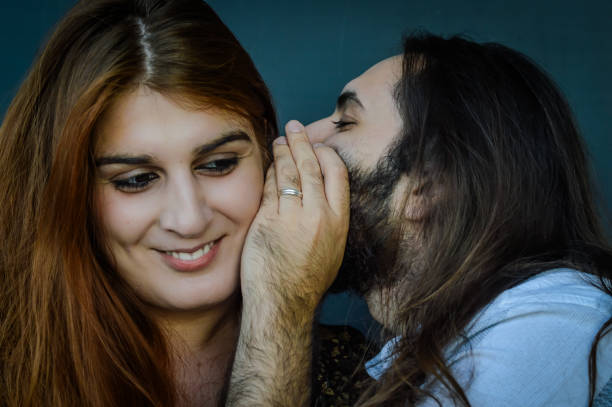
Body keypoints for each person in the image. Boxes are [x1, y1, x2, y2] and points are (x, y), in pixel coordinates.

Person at [227, 34, 612, 406]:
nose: (301, 138)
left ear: (429, 185)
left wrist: (280, 304)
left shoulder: (544, 331)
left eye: (345, 122)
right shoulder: (459, 340)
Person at [0, 0, 282, 405]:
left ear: (270, 156)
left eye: (218, 164)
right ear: (66, 192)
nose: (189, 219)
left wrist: (280, 322)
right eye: (136, 180)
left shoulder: (370, 377)